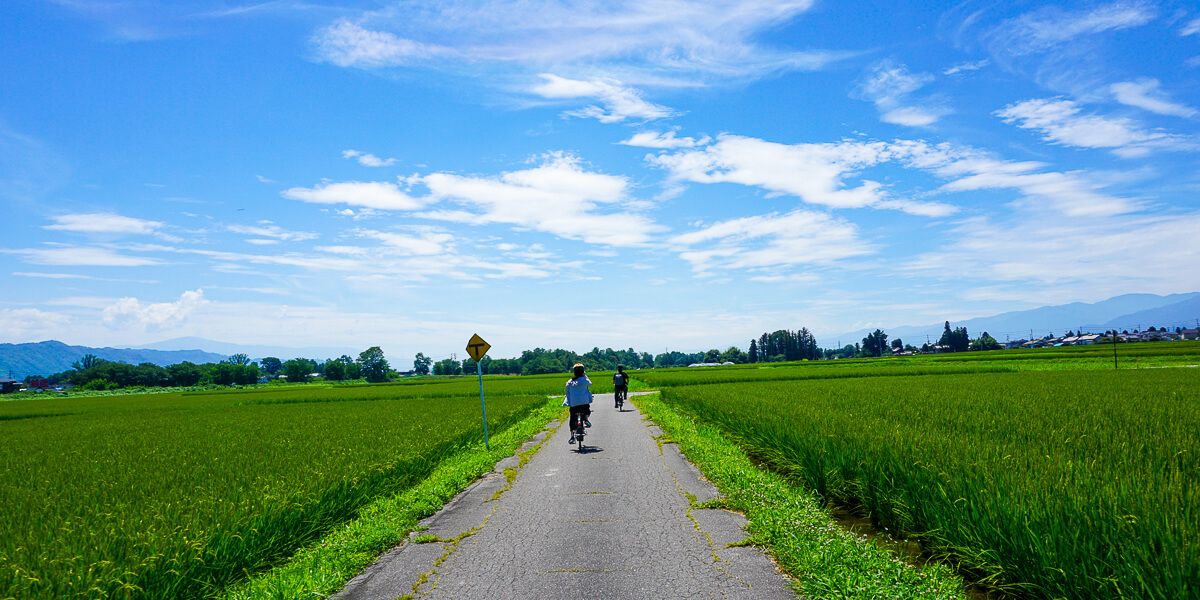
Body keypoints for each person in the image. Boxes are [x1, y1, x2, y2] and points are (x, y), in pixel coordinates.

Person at [563, 363, 593, 445]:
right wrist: (585, 375)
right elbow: (590, 384)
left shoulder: (570, 381)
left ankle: (572, 437)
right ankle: (586, 419)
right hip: (584, 403)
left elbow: (566, 391)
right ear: (583, 371)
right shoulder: (584, 380)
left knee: (572, 419)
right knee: (587, 410)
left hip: (574, 405)